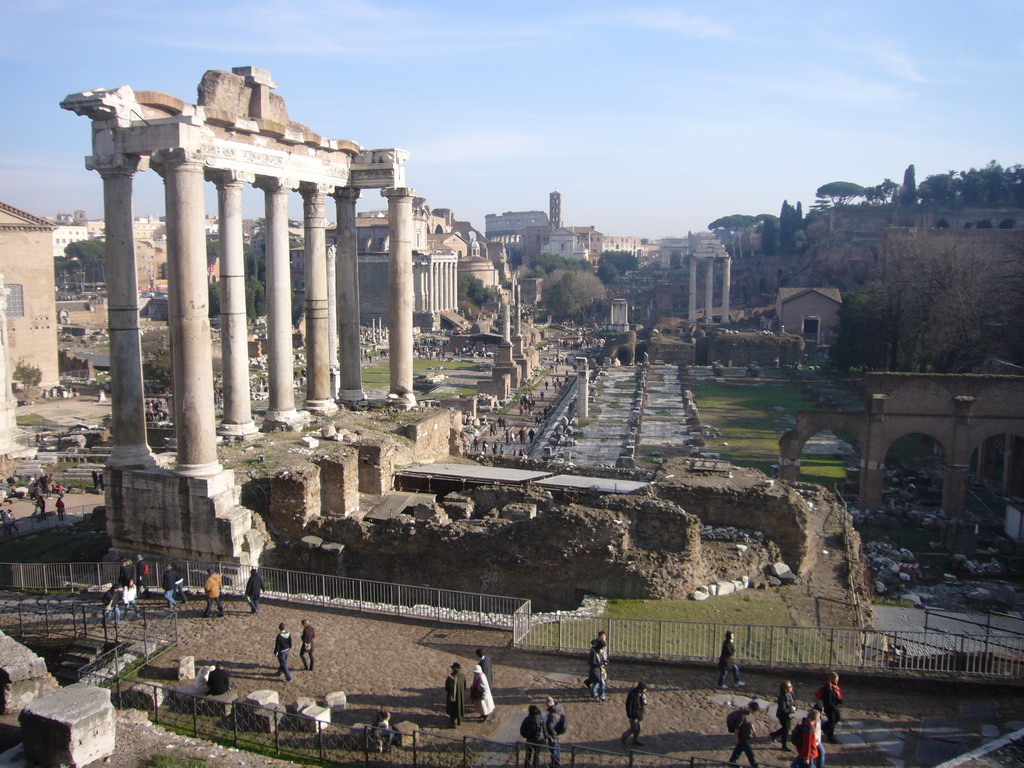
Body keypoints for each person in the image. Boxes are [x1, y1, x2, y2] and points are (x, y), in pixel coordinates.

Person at [726, 700, 759, 768]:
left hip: (747, 735)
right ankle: (754, 764)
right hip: (742, 736)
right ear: (751, 709)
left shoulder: (751, 714)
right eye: (754, 710)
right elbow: (737, 727)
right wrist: (736, 737)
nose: (755, 712)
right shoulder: (742, 715)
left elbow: (751, 723)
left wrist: (754, 731)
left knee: (739, 749)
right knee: (749, 751)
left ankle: (732, 761)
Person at [771, 680, 797, 751]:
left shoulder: (791, 693)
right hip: (783, 716)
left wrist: (794, 707)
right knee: (786, 729)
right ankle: (784, 745)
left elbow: (793, 702)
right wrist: (792, 710)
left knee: (786, 728)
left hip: (789, 715)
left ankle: (774, 735)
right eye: (790, 686)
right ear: (785, 688)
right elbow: (783, 709)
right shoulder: (782, 697)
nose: (792, 687)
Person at [621, 681, 647, 748]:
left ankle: (635, 740)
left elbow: (643, 702)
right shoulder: (632, 694)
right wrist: (629, 715)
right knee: (633, 728)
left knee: (639, 728)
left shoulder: (642, 694)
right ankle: (625, 736)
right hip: (634, 714)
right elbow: (628, 706)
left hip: (640, 714)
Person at [820, 672, 842, 743]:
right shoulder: (828, 688)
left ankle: (825, 727)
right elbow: (828, 700)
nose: (837, 681)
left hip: (834, 706)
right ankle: (830, 736)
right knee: (832, 721)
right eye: (835, 680)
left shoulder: (835, 687)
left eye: (837, 680)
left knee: (837, 718)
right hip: (829, 707)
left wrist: (839, 701)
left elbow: (837, 695)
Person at [545, 696, 566, 768]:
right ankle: (556, 762)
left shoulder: (553, 714)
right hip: (557, 730)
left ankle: (555, 764)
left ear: (548, 704)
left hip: (553, 734)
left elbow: (550, 727)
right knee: (557, 748)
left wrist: (552, 736)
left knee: (553, 749)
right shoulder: (559, 707)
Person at [587, 635, 609, 701]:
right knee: (600, 683)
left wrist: (604, 661)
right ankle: (601, 696)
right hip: (595, 670)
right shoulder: (594, 652)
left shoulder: (599, 651)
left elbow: (601, 658)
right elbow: (592, 662)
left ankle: (595, 694)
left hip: (599, 670)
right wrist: (600, 664)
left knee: (597, 682)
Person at [445, 662, 467, 727]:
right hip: (460, 696)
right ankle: (459, 720)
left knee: (453, 710)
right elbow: (465, 686)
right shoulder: (463, 676)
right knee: (459, 708)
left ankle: (453, 723)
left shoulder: (450, 678)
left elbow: (447, 688)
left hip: (452, 697)